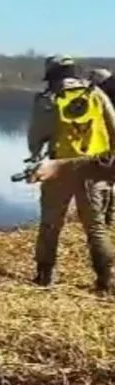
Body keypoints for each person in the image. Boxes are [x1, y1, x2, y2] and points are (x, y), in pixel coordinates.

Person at [26, 55, 115, 292]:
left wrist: (36, 157)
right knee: (95, 226)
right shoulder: (96, 93)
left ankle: (44, 276)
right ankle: (105, 280)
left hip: (59, 168)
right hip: (94, 168)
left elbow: (36, 137)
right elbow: (112, 126)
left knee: (50, 224)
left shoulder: (47, 99)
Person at [88, 67, 115, 225]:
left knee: (101, 181)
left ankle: (102, 219)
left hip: (106, 142)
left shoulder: (103, 94)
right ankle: (110, 219)